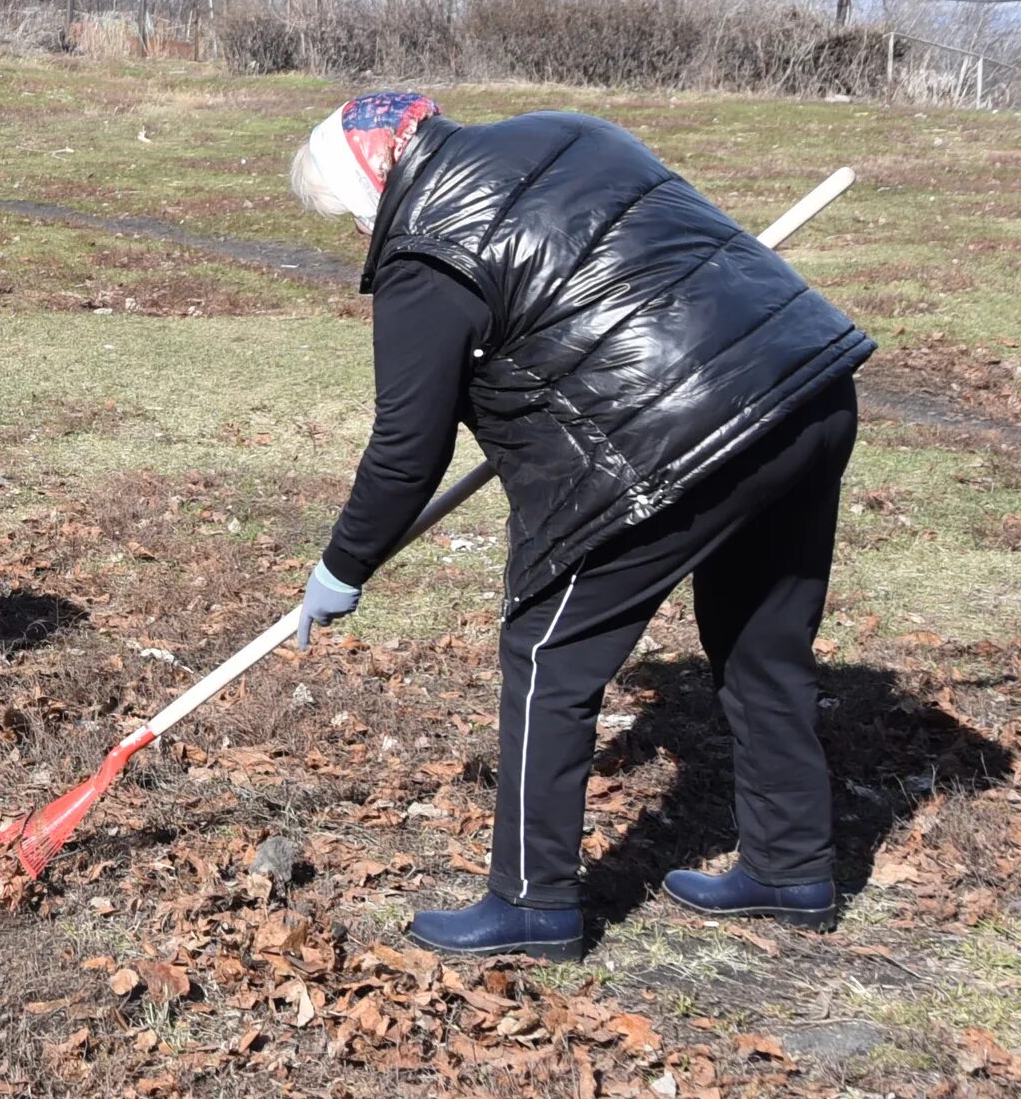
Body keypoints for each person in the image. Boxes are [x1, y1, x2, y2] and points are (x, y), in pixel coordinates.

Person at [287, 92, 873, 960]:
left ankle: (532, 903)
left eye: (349, 218)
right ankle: (791, 868)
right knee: (760, 641)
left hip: (678, 435)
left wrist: (343, 567)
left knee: (549, 655)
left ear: (370, 187)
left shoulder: (423, 251)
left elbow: (408, 449)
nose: (359, 232)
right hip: (805, 390)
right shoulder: (569, 131)